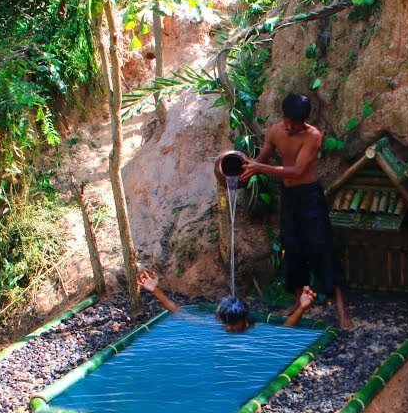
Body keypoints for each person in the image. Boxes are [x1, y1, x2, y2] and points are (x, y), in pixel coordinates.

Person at [239, 93, 354, 330]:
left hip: (310, 196)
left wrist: (261, 168)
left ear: (306, 120)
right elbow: (263, 158)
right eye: (287, 121)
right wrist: (248, 168)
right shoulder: (275, 131)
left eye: (296, 123)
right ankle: (297, 301)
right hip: (289, 197)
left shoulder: (312, 136)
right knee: (291, 246)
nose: (290, 127)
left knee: (321, 247)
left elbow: (298, 171)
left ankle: (341, 309)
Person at [137, 269, 315, 332]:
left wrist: (301, 308)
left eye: (232, 325)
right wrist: (156, 291)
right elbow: (179, 311)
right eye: (226, 324)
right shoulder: (219, 325)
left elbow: (284, 331)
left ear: (245, 320)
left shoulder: (256, 331)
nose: (228, 328)